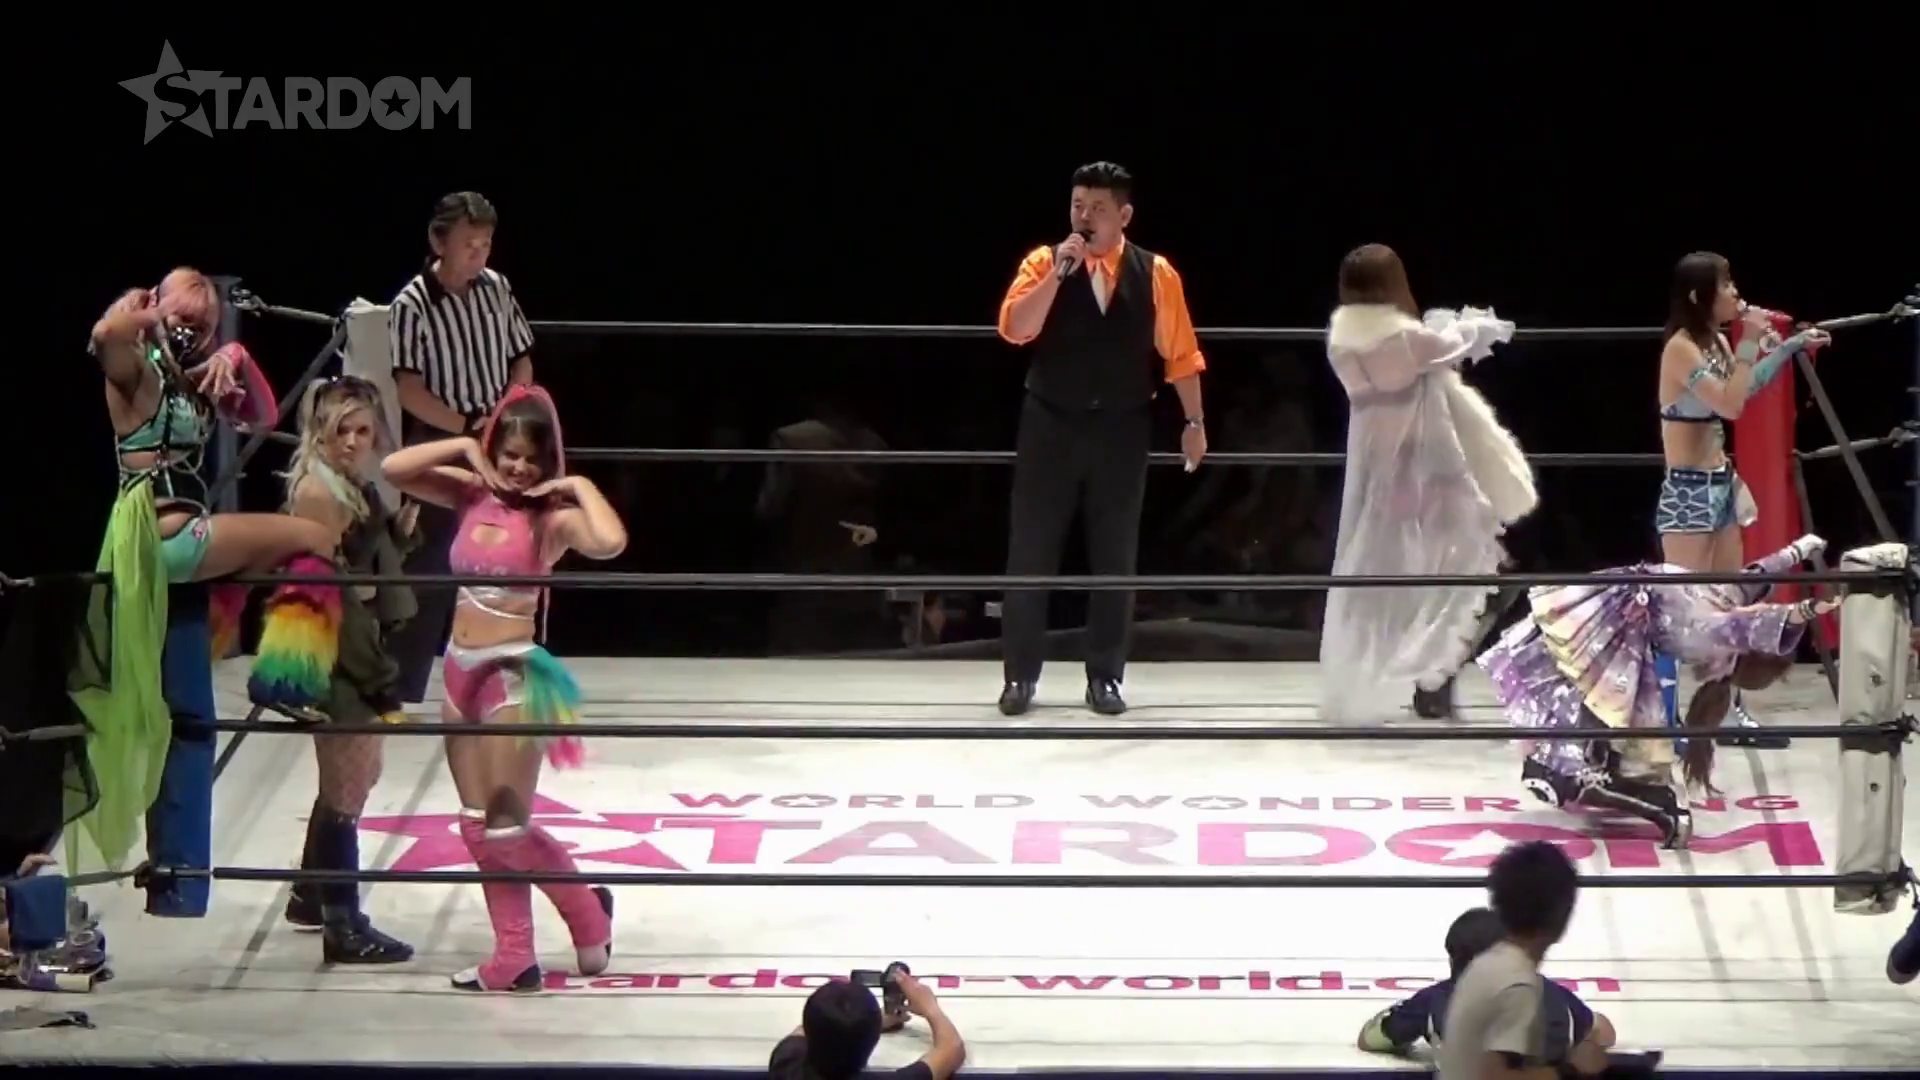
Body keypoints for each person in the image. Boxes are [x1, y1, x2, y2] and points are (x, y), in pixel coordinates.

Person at [74, 269, 329, 884]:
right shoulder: (135, 371)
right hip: (163, 540)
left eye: (204, 324)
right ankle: (289, 675)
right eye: (182, 318)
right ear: (157, 309)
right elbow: (104, 334)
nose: (192, 332)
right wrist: (145, 312)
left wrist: (235, 354)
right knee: (315, 536)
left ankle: (176, 868)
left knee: (185, 715)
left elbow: (265, 414)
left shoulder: (196, 382)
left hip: (179, 547)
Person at [380, 384, 624, 993]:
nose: (519, 468)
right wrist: (465, 446)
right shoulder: (469, 494)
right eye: (509, 454)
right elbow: (392, 468)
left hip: (511, 674)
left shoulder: (550, 518)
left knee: (506, 828)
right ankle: (514, 956)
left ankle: (587, 913)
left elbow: (610, 541)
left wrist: (575, 485)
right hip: (457, 668)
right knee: (474, 825)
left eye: (531, 459)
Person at [994, 161, 1208, 717]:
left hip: (1122, 424)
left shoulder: (1155, 272)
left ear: (1124, 215)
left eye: (1097, 209)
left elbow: (1181, 353)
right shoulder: (1044, 261)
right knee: (1031, 550)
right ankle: (1019, 677)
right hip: (1050, 421)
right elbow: (1015, 328)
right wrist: (1056, 276)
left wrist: (1194, 422)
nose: (1084, 218)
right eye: (1077, 206)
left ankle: (1105, 677)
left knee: (1115, 554)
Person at [1480, 535, 1833, 849]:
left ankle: (1648, 800)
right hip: (1603, 619)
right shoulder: (1728, 600)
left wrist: (1821, 606)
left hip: (1606, 640)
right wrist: (1799, 549)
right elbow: (1758, 574)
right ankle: (1599, 773)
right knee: (1572, 737)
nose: (1764, 605)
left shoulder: (1716, 632)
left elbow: (1771, 619)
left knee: (1569, 760)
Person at [1321, 244, 1537, 722]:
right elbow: (1454, 344)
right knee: (1484, 574)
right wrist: (1471, 324)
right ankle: (1434, 677)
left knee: (1407, 578)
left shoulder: (1343, 340)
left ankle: (1429, 677)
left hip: (1381, 476)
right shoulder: (1406, 340)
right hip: (1430, 474)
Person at [259, 376, 417, 964]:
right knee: (348, 783)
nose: (352, 441)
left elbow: (362, 569)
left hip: (350, 643)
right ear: (318, 432)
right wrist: (378, 680)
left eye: (362, 431)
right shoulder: (319, 494)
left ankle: (312, 893)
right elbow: (333, 597)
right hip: (336, 651)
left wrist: (399, 534)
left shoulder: (350, 485)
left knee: (355, 776)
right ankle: (341, 924)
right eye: (341, 430)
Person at [1655, 252, 1828, 750]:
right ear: (1699, 296)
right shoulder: (1681, 349)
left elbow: (1745, 387)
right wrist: (1751, 337)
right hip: (1688, 492)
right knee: (1678, 611)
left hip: (1721, 484)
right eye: (1726, 284)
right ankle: (1661, 722)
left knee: (1729, 606)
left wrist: (1789, 347)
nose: (1735, 292)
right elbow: (1730, 406)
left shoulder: (1713, 341)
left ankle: (1722, 717)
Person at [384, 192, 537, 706]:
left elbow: (522, 357)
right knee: (430, 563)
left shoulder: (497, 287)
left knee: (504, 554)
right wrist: (468, 427)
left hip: (500, 437)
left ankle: (498, 675)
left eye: (486, 244)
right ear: (439, 241)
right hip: (442, 438)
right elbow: (409, 389)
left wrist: (510, 410)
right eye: (469, 243)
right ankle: (403, 687)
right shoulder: (411, 304)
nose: (479, 254)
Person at [1436, 841, 1608, 1080]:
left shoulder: (1484, 965)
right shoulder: (1517, 985)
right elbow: (1494, 1077)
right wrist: (1571, 1069)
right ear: (1563, 914)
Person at [1359, 906, 1615, 1065]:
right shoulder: (1553, 997)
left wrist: (1411, 1031)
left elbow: (1369, 1039)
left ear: (1453, 958)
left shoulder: (1433, 1002)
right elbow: (1604, 1032)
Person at [768, 973, 966, 1080]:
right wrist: (930, 1007)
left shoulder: (785, 1063)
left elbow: (810, 1027)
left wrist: (865, 1021)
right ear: (873, 1041)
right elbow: (952, 1048)